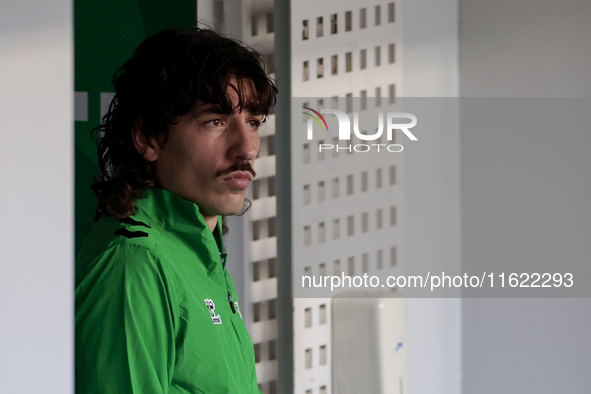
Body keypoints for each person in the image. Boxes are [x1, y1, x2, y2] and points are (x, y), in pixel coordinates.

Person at [75, 27, 277, 393]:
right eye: (215, 120)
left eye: (253, 121)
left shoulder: (197, 248)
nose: (246, 147)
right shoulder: (135, 266)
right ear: (148, 138)